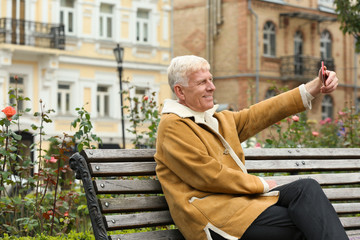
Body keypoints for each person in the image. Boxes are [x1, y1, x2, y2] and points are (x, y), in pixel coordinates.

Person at [154, 55, 348, 240]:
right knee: (308, 222)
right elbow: (207, 175)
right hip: (214, 219)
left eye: (211, 80)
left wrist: (314, 87)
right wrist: (260, 184)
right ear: (180, 91)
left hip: (242, 207)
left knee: (306, 189)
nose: (212, 87)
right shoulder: (173, 125)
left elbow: (262, 113)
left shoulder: (216, 121)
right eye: (202, 82)